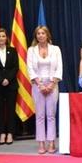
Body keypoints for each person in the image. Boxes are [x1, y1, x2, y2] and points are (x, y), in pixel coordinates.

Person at [26, 25, 63, 154]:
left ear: (47, 35)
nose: (40, 35)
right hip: (38, 85)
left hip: (53, 84)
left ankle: (52, 142)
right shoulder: (31, 50)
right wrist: (40, 84)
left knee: (51, 115)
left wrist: (52, 84)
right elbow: (30, 68)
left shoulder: (56, 49)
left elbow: (59, 68)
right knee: (40, 115)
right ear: (36, 36)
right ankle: (41, 142)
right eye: (38, 34)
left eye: (43, 33)